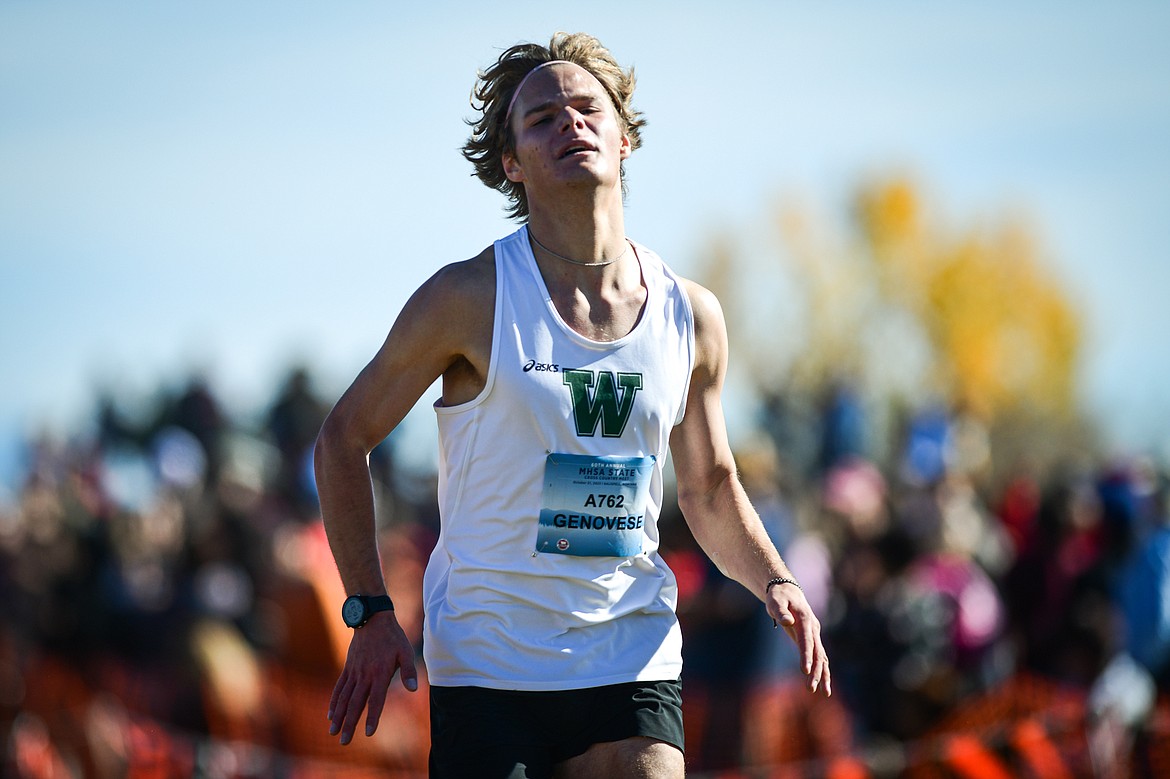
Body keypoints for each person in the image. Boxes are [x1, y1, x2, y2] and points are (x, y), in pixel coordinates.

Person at [314, 31, 831, 778]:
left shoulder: (692, 315)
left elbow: (710, 484)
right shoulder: (468, 298)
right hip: (491, 666)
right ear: (511, 165)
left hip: (630, 648)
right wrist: (368, 608)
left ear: (625, 139)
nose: (570, 123)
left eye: (587, 108)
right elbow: (341, 438)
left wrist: (776, 578)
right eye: (541, 118)